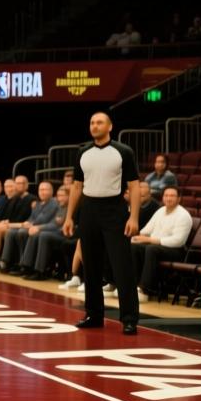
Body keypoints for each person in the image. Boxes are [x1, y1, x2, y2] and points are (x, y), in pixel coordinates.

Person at [63, 112, 142, 335]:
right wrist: (69, 217)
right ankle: (94, 314)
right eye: (92, 122)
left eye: (99, 122)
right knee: (91, 265)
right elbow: (77, 186)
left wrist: (134, 217)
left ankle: (129, 318)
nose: (94, 126)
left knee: (122, 266)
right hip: (88, 210)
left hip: (114, 210)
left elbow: (134, 186)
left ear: (110, 126)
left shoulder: (123, 151)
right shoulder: (83, 152)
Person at [130, 185, 191, 302]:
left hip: (175, 251)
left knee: (151, 249)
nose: (168, 198)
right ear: (162, 198)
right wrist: (137, 237)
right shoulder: (160, 211)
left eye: (172, 196)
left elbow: (178, 241)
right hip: (156, 247)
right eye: (166, 195)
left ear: (179, 199)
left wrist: (151, 240)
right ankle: (133, 286)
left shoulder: (183, 215)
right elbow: (145, 231)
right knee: (134, 247)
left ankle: (145, 290)